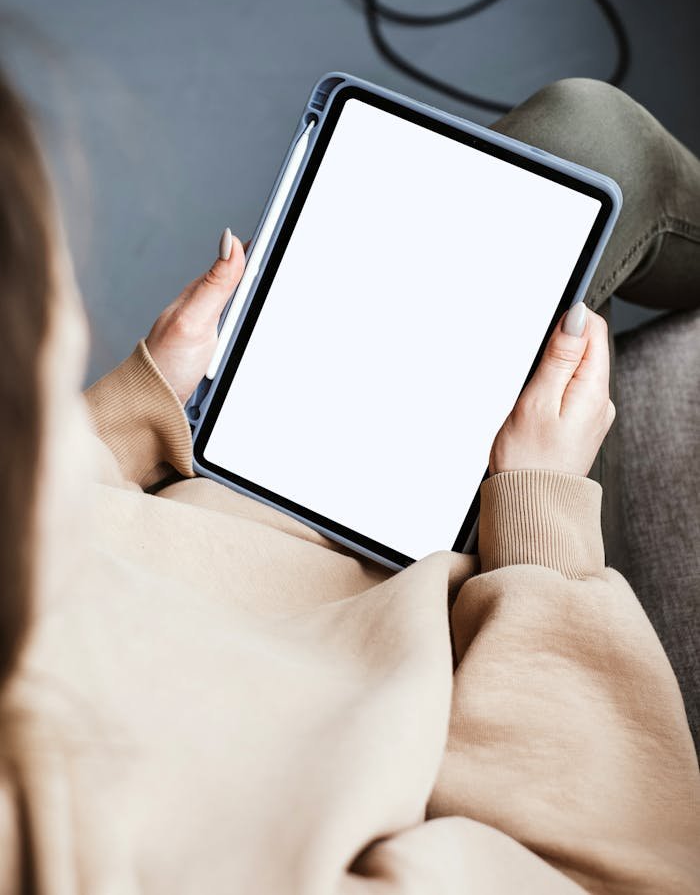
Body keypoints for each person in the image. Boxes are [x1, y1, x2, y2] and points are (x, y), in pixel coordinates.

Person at [0, 64, 698, 895]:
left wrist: (140, 399)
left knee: (561, 141)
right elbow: (610, 876)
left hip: (254, 466)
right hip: (459, 600)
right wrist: (540, 518)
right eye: (55, 289)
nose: (71, 309)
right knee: (592, 139)